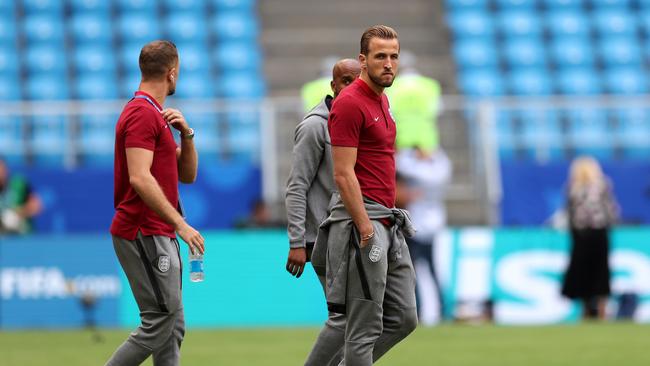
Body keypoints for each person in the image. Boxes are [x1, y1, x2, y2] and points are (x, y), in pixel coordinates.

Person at [313, 25, 418, 366]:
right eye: (380, 56)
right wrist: (365, 227)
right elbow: (343, 173)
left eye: (394, 56)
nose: (389, 63)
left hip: (388, 219)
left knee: (403, 318)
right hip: (365, 221)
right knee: (363, 328)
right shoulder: (350, 103)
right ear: (363, 60)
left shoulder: (382, 100)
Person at [106, 40, 205, 366]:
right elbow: (139, 177)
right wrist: (181, 224)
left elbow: (186, 175)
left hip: (158, 231)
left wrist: (187, 135)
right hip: (142, 230)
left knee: (172, 325)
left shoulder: (156, 115)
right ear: (172, 73)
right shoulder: (140, 114)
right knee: (160, 321)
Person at [285, 58, 361, 366]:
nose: (351, 88)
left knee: (360, 320)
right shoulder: (316, 126)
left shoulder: (361, 122)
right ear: (333, 86)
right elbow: (296, 186)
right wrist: (297, 241)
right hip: (325, 238)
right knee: (346, 317)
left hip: (357, 233)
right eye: (345, 81)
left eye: (356, 83)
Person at [396, 145, 451, 325]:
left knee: (414, 271)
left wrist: (410, 153)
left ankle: (418, 311)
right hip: (430, 225)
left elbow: (401, 163)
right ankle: (440, 310)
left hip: (417, 226)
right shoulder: (439, 169)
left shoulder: (422, 172)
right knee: (430, 271)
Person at [561, 156, 618, 320]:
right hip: (599, 233)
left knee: (582, 272)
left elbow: (570, 214)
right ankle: (601, 311)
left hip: (581, 235)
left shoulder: (573, 188)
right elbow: (611, 211)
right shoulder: (602, 185)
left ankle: (586, 310)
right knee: (600, 272)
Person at [385, 50, 442, 151]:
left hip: (400, 140)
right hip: (426, 140)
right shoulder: (431, 85)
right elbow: (438, 110)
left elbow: (388, 114)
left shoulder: (390, 87)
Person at [0, 157, 42, 234]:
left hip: (23, 236)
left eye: (2, 169)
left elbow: (37, 207)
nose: (1, 173)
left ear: (6, 169)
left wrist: (17, 213)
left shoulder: (19, 184)